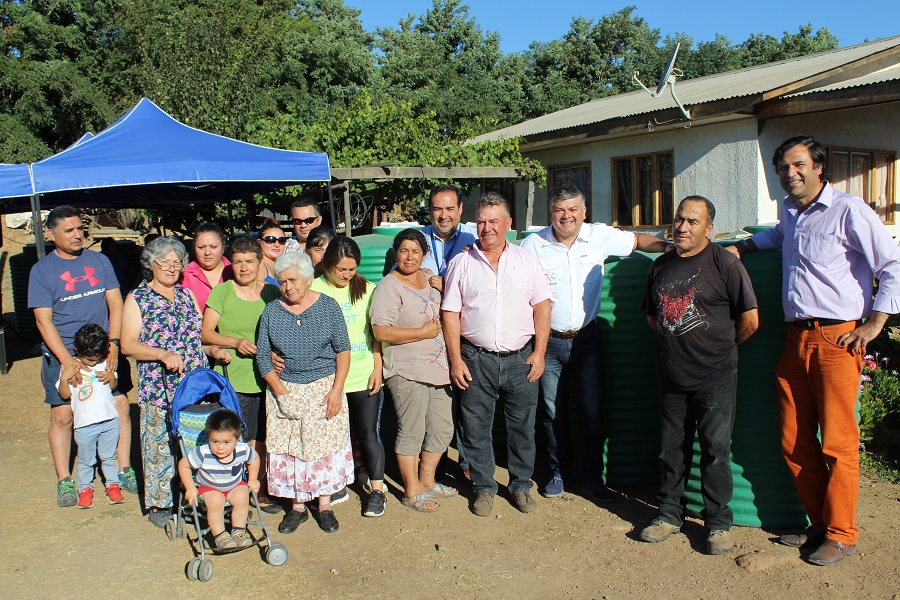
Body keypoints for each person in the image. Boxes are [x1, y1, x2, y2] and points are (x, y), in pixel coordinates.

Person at [728, 135, 900, 566]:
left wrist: (875, 323)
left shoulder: (848, 210)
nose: (790, 173)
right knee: (793, 441)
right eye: (783, 167)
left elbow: (892, 265)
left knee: (838, 442)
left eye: (798, 165)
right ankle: (820, 524)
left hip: (837, 338)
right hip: (794, 338)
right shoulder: (789, 212)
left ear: (819, 167)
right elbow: (776, 237)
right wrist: (742, 246)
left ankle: (842, 533)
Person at [521, 183, 671, 501]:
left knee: (591, 411)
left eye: (573, 209)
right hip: (547, 341)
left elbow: (638, 240)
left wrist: (670, 247)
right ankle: (558, 473)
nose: (567, 216)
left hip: (587, 339)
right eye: (560, 210)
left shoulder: (598, 236)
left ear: (584, 212)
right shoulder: (533, 245)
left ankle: (591, 478)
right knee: (551, 413)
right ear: (550, 212)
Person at [640, 196, 759, 555]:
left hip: (716, 378)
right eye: (679, 220)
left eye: (692, 221)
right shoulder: (659, 266)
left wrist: (719, 352)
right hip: (672, 376)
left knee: (715, 451)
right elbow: (652, 317)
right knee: (670, 450)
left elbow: (750, 320)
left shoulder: (725, 264)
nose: (682, 227)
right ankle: (668, 515)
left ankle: (718, 523)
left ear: (709, 228)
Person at [442, 192, 552, 517]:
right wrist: (456, 359)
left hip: (521, 359)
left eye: (493, 221)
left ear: (508, 224)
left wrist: (541, 353)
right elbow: (449, 313)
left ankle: (521, 486)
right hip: (476, 358)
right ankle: (484, 487)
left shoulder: (527, 261)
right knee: (476, 427)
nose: (487, 228)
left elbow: (542, 306)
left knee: (522, 428)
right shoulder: (461, 263)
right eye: (481, 221)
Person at [28, 205, 137, 507]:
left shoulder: (99, 261)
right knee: (63, 414)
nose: (78, 235)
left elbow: (115, 303)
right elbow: (43, 321)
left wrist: (113, 344)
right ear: (51, 234)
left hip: (103, 351)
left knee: (119, 405)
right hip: (64, 355)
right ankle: (65, 479)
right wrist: (66, 360)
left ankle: (123, 469)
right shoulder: (42, 271)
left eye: (80, 228)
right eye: (69, 230)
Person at [121, 236, 231, 528]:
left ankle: (197, 496)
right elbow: (128, 345)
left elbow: (196, 341)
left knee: (194, 444)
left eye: (177, 262)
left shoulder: (186, 295)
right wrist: (162, 354)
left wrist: (213, 351)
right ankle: (161, 502)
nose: (171, 267)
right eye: (164, 262)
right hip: (160, 388)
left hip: (194, 388)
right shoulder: (137, 298)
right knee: (160, 445)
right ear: (150, 264)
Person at [256, 251, 353, 534]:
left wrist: (336, 391)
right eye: (283, 281)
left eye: (293, 280)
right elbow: (263, 356)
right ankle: (298, 507)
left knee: (322, 449)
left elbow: (343, 351)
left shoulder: (328, 307)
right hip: (285, 388)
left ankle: (324, 506)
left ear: (309, 280)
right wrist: (280, 390)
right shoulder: (272, 310)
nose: (288, 287)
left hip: (323, 387)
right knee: (292, 451)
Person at [371, 229, 456, 512]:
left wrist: (443, 286)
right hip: (407, 370)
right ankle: (410, 490)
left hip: (439, 369)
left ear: (423, 254)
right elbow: (381, 330)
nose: (410, 257)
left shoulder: (429, 279)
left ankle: (427, 481)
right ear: (396, 253)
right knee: (412, 431)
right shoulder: (388, 286)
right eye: (404, 250)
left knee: (443, 429)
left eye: (416, 251)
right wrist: (421, 332)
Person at [201, 235, 281, 513]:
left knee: (269, 435)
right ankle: (244, 489)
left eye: (249, 261)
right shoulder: (222, 292)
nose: (244, 267)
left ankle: (262, 486)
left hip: (270, 377)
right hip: (236, 377)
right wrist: (234, 342)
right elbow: (206, 333)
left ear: (261, 264)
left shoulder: (272, 293)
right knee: (244, 436)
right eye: (238, 262)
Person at [312, 237, 387, 517]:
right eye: (340, 269)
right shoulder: (313, 288)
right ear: (327, 264)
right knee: (333, 435)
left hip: (362, 373)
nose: (346, 275)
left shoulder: (367, 289)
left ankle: (377, 491)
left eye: (351, 269)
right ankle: (337, 482)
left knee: (368, 432)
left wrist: (378, 368)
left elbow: (375, 334)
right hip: (327, 377)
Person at [419, 184, 477, 482]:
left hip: (464, 330)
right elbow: (407, 273)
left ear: (460, 210)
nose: (444, 215)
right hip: (428, 333)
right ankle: (435, 463)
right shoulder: (418, 240)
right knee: (435, 400)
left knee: (467, 397)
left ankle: (468, 464)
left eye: (450, 209)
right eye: (438, 209)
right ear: (430, 210)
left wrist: (442, 281)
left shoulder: (474, 239)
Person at [57, 323, 125, 509]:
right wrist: (64, 379)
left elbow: (113, 387)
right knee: (86, 460)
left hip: (109, 421)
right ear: (77, 351)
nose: (94, 363)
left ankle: (113, 485)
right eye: (89, 359)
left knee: (109, 456)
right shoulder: (71, 367)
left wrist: (112, 379)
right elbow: (64, 394)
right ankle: (85, 489)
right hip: (85, 425)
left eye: (97, 358)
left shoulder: (105, 363)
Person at [177, 408, 260, 550]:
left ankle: (239, 531)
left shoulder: (243, 450)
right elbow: (183, 465)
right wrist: (190, 487)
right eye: (215, 442)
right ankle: (220, 535)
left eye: (226, 442)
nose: (220, 447)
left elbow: (254, 459)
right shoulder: (203, 453)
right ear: (208, 438)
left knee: (242, 496)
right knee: (216, 500)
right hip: (208, 487)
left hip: (234, 484)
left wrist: (252, 479)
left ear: (237, 439)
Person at [180, 222, 234, 313]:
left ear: (223, 246)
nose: (207, 252)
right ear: (194, 247)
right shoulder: (183, 275)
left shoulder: (236, 272)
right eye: (201, 247)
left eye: (213, 247)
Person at [257, 219, 288, 286]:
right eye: (270, 240)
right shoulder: (260, 267)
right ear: (259, 242)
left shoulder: (282, 267)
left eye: (281, 240)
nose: (277, 245)